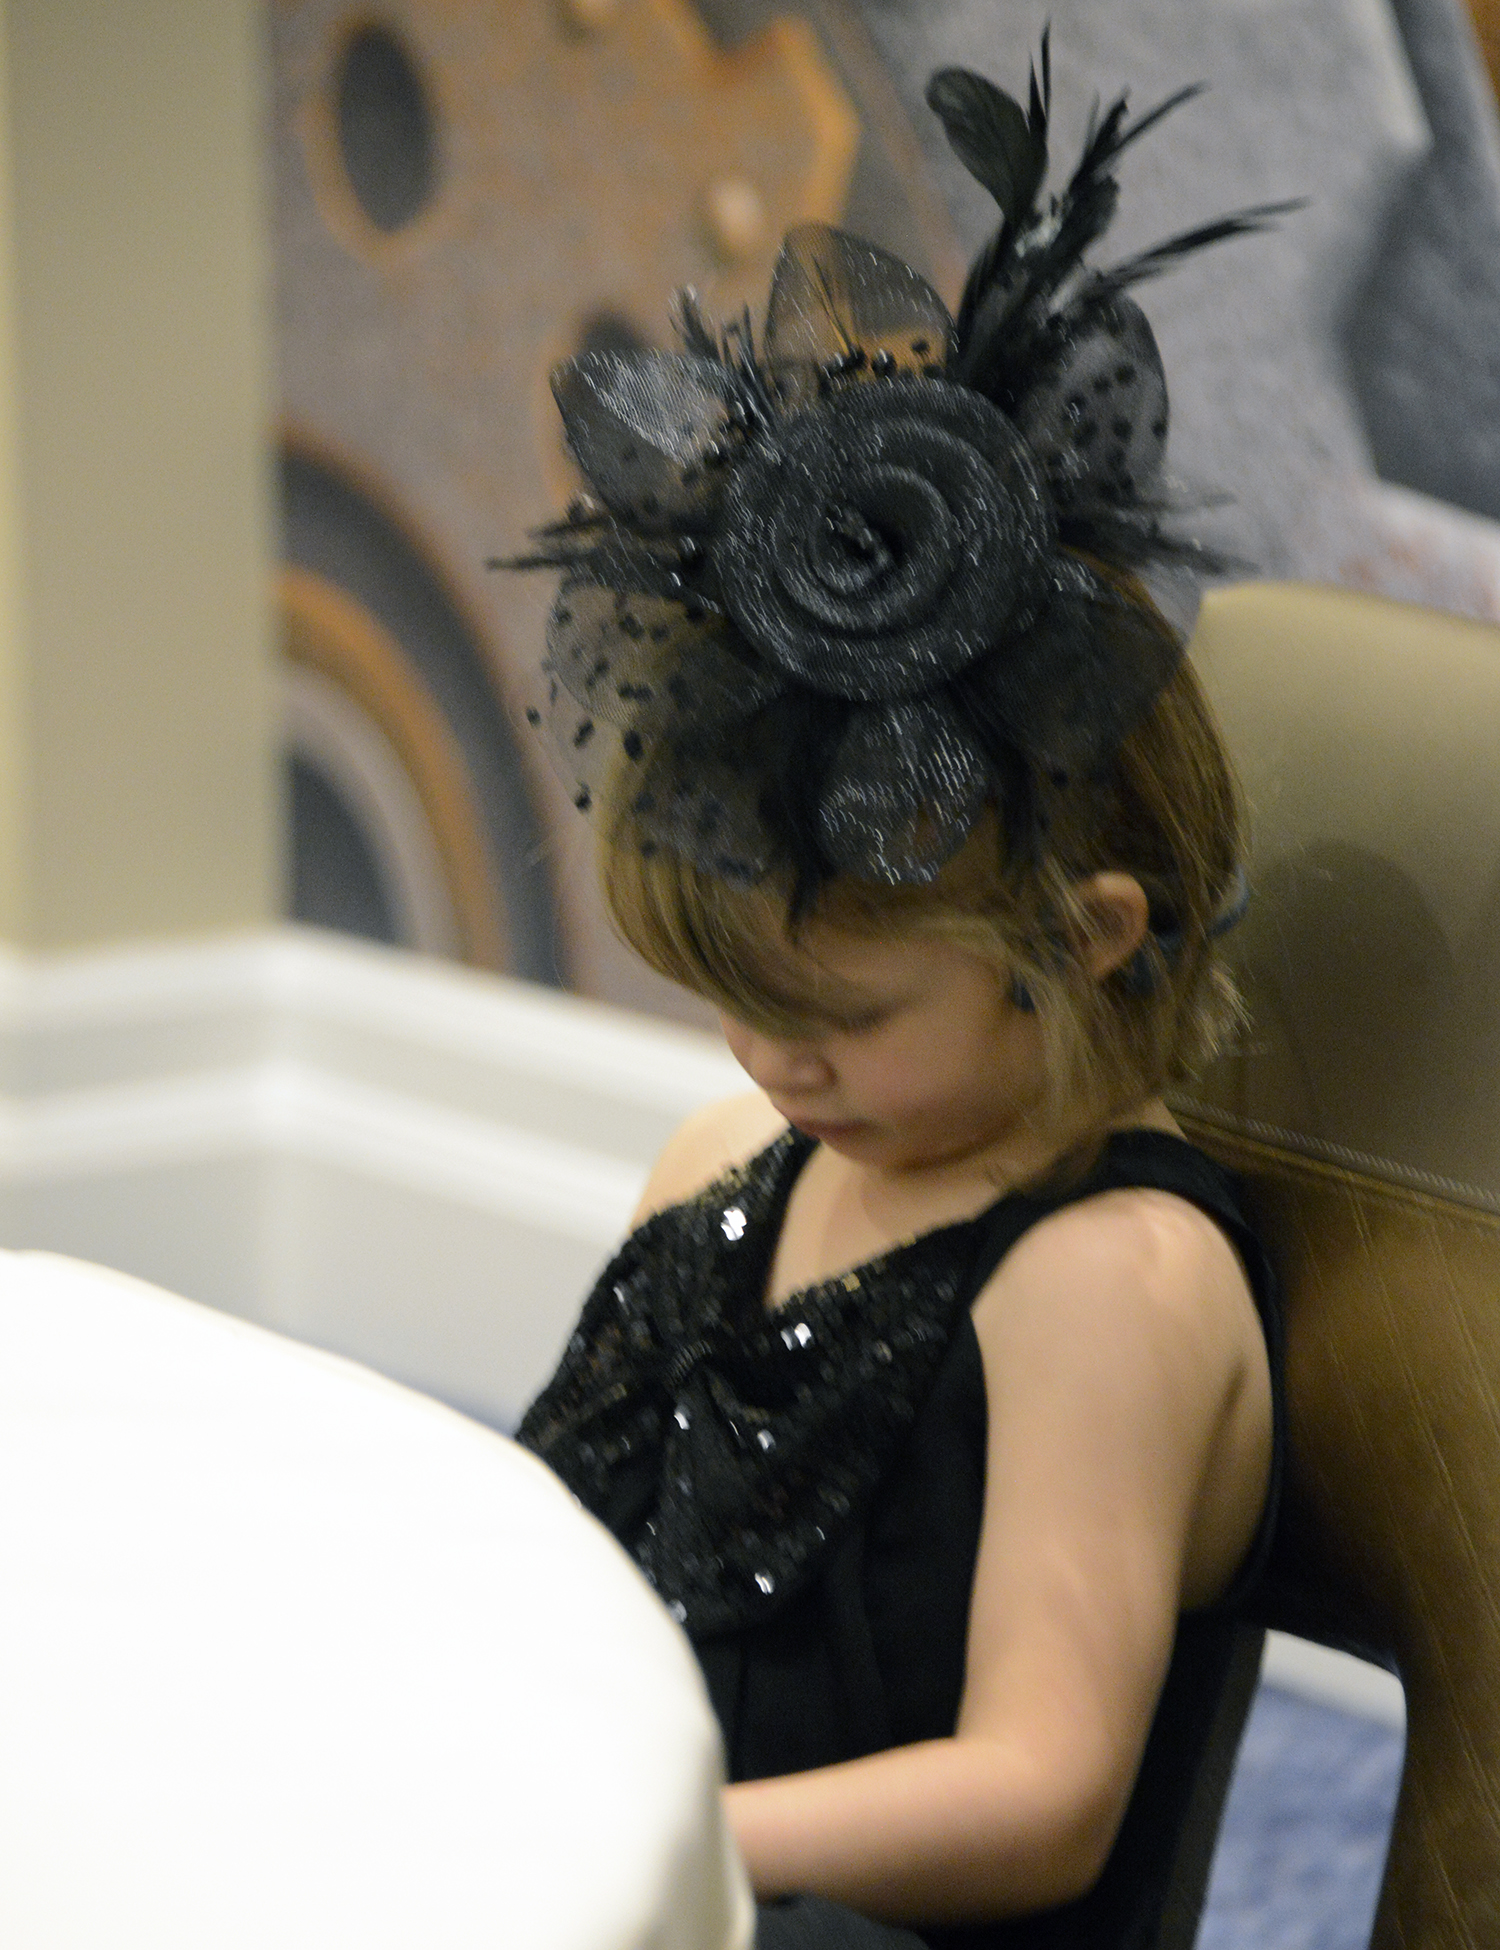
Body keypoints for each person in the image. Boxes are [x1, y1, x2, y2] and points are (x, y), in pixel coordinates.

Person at [505, 41, 1290, 1950]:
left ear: (1090, 939)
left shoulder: (1109, 1286)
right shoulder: (722, 1165)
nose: (776, 1060)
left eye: (839, 1017)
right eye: (735, 995)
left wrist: (651, 1837)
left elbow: (1042, 1794)